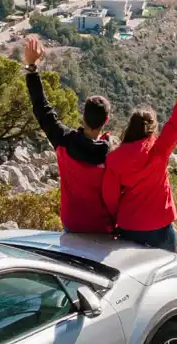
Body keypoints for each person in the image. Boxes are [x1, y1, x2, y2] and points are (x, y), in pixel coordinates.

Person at [99, 55, 177, 252]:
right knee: (165, 269)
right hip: (160, 226)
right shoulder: (159, 150)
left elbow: (110, 197)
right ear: (152, 129)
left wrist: (119, 217)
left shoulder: (114, 159)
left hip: (129, 226)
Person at [21, 35, 115, 233]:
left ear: (83, 117)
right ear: (106, 121)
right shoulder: (112, 155)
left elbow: (41, 108)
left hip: (72, 223)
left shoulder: (64, 140)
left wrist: (32, 68)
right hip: (103, 227)